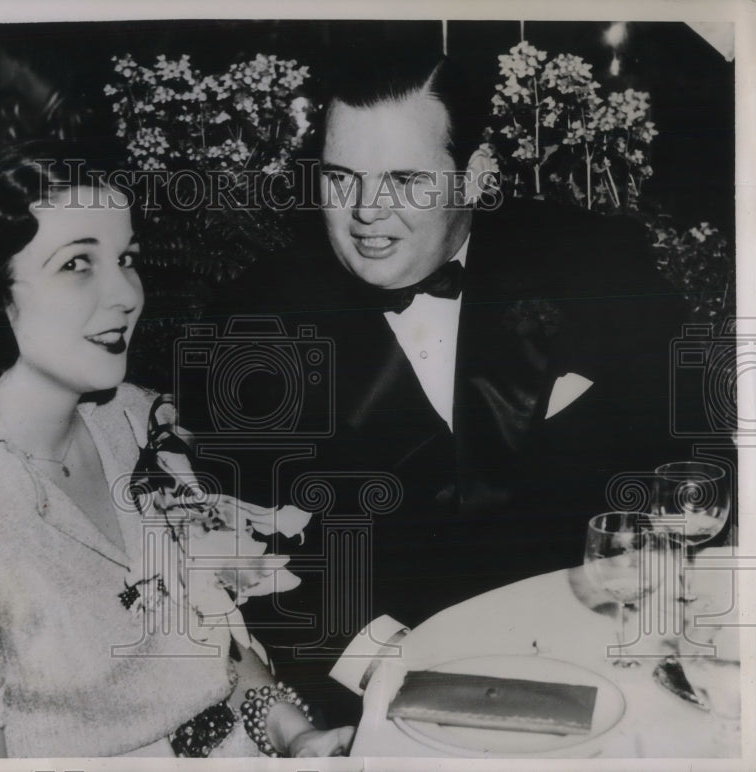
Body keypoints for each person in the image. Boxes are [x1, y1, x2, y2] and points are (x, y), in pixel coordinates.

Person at [195, 49, 692, 726]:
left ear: (476, 174)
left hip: (603, 661)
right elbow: (259, 565)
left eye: (405, 179)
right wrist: (400, 673)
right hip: (382, 690)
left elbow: (681, 471)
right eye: (342, 179)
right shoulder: (253, 324)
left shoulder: (592, 264)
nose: (367, 212)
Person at [0, 140, 353, 758]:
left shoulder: (133, 421)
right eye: (78, 264)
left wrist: (297, 734)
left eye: (126, 258)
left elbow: (214, 649)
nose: (126, 294)